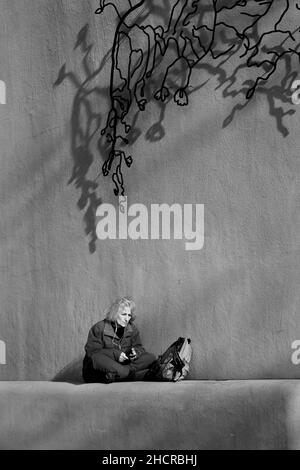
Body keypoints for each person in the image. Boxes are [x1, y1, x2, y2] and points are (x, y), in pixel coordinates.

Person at [82, 297, 157, 383]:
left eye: (129, 315)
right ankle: (128, 374)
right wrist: (115, 355)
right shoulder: (99, 328)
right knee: (96, 358)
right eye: (123, 314)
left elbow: (139, 347)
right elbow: (92, 353)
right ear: (115, 314)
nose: (127, 319)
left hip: (122, 365)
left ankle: (119, 374)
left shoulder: (132, 329)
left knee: (150, 357)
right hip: (104, 366)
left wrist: (136, 352)